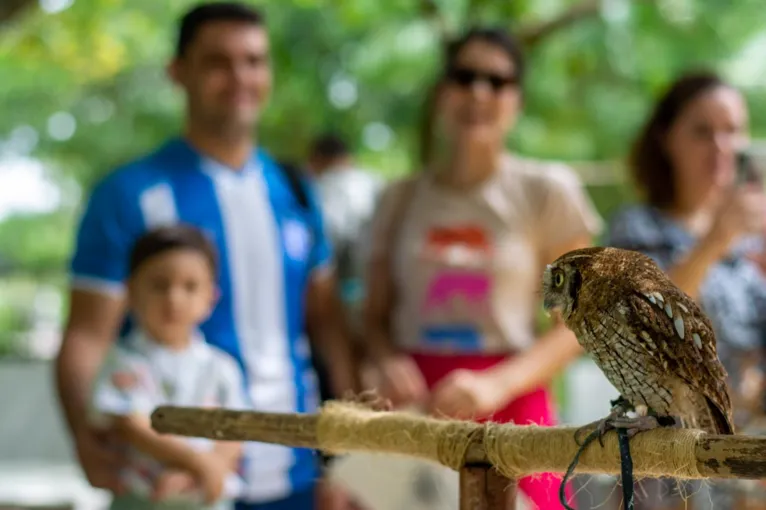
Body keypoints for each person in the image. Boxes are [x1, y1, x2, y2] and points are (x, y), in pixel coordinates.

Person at [55, 3, 360, 509]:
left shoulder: (297, 192)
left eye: (254, 61)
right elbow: (88, 334)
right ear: (179, 73)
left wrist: (347, 459)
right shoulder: (130, 193)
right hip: (172, 480)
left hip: (296, 474)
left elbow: (327, 329)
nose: (239, 77)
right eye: (218, 62)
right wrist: (84, 436)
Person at [363, 26, 603, 510]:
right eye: (464, 76)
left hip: (513, 407)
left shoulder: (545, 191)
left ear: (517, 100)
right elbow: (372, 315)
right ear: (441, 92)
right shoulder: (399, 198)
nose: (478, 91)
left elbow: (576, 328)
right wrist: (386, 358)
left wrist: (497, 384)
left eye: (497, 81)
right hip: (416, 410)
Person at [605, 71, 766, 510]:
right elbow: (639, 322)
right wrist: (715, 240)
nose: (721, 146)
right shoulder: (634, 227)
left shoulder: (756, 237)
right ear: (666, 140)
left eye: (732, 130)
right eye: (702, 131)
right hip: (666, 462)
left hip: (749, 462)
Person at [90, 225, 247, 510]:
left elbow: (235, 432)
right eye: (159, 285)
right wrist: (198, 463)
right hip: (141, 501)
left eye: (190, 286)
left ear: (211, 298)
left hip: (206, 498)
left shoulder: (222, 368)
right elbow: (132, 426)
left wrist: (207, 471)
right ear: (131, 292)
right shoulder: (122, 361)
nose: (174, 298)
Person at [306, 132, 385, 310]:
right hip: (375, 295)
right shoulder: (376, 183)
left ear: (316, 160)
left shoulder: (317, 188)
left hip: (334, 295)